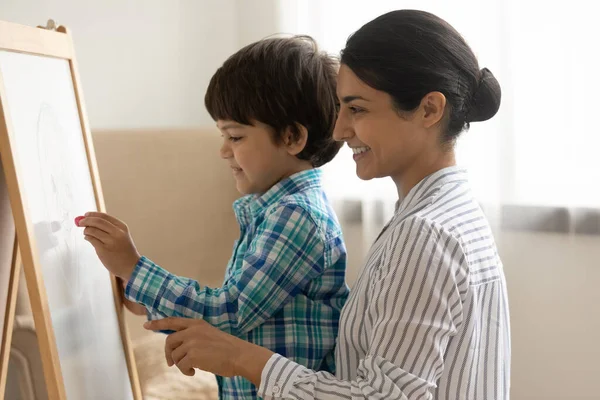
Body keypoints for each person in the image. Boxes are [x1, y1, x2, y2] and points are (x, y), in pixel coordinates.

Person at [144, 9, 511, 400]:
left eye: (357, 109)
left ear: (429, 110)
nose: (338, 130)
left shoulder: (426, 234)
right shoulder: (451, 215)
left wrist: (243, 359)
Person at [77, 36, 349, 399]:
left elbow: (229, 316)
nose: (223, 151)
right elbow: (234, 312)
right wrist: (147, 298)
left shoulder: (297, 217)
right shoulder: (273, 211)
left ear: (292, 137)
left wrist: (135, 268)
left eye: (234, 136)